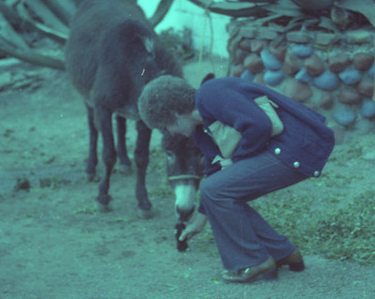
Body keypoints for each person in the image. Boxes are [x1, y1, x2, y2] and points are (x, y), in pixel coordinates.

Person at [138, 74, 335, 283]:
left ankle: (253, 260)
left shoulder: (209, 94)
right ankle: (282, 252)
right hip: (287, 150)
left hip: (299, 147)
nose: (170, 132)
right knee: (218, 189)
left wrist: (236, 161)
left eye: (165, 127)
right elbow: (215, 171)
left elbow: (259, 125)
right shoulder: (200, 129)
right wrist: (199, 220)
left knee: (216, 190)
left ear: (174, 113)